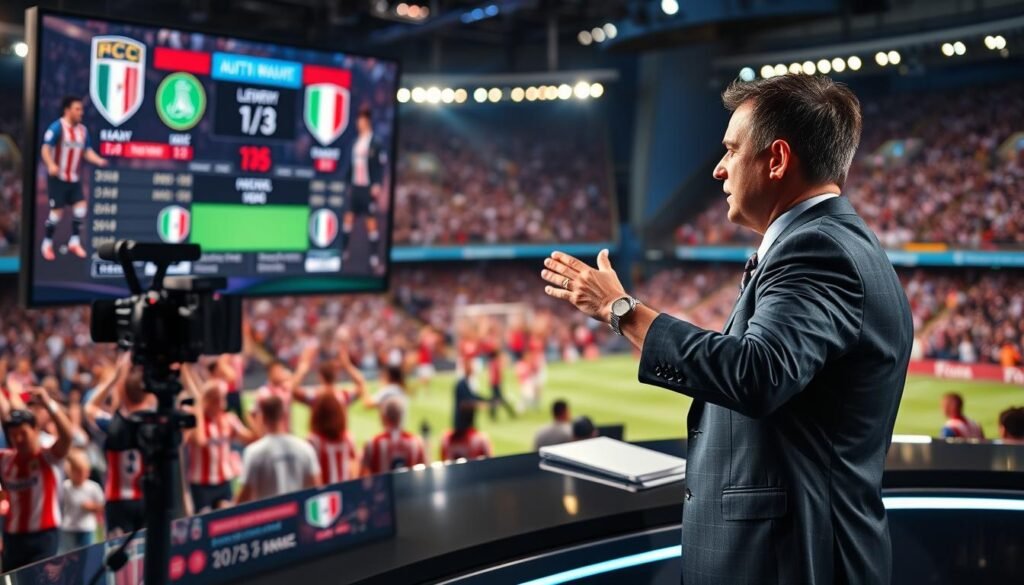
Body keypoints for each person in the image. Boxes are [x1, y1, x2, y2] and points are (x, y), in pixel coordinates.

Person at [541, 74, 913, 583]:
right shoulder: (828, 242)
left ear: (777, 159)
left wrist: (622, 310)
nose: (718, 169)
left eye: (732, 150)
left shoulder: (818, 249)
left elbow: (758, 373)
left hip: (795, 559)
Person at [0, 386, 74, 571]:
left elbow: (67, 436)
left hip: (44, 537)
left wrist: (48, 404)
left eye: (22, 432)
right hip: (13, 537)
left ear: (35, 429)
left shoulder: (49, 456)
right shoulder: (5, 459)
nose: (18, 438)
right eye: (13, 434)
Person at [84, 353, 151, 536]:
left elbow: (89, 408)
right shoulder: (152, 424)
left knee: (118, 553)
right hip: (145, 497)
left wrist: (115, 378)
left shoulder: (113, 424)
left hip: (117, 499)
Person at [39, 96, 109, 261]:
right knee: (57, 213)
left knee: (81, 208)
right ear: (67, 110)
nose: (81, 113)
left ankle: (74, 241)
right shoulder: (57, 127)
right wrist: (50, 165)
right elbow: (45, 148)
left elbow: (87, 151)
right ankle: (47, 243)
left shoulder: (82, 131)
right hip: (58, 178)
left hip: (74, 178)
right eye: (77, 109)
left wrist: (99, 160)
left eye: (81, 109)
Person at [182, 365, 254, 513]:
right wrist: (199, 408)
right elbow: (200, 441)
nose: (223, 403)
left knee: (226, 520)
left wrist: (251, 418)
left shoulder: (229, 419)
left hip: (224, 481)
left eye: (223, 398)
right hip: (201, 484)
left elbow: (250, 439)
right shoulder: (197, 422)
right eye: (218, 399)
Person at [236, 395, 321, 504]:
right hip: (297, 516)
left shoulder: (253, 452)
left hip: (269, 518)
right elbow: (316, 489)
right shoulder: (305, 448)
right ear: (284, 415)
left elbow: (244, 496)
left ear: (262, 417)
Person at [341, 107, 387, 273]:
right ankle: (343, 252)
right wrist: (347, 183)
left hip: (367, 188)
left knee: (371, 222)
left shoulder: (375, 142)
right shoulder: (355, 142)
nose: (358, 124)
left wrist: (377, 184)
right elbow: (350, 165)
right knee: (348, 218)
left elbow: (379, 166)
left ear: (366, 122)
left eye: (360, 120)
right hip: (355, 186)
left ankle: (374, 257)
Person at [361, 399, 426, 476]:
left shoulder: (373, 443)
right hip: (408, 487)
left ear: (383, 416)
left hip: (380, 488)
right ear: (400, 417)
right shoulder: (416, 442)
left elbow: (362, 477)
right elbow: (424, 473)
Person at [308, 391, 359, 484]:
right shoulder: (348, 438)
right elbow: (354, 472)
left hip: (324, 495)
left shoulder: (313, 440)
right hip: (345, 492)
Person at [59, 449, 104, 552]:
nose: (80, 475)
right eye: (77, 472)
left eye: (83, 472)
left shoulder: (93, 487)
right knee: (67, 555)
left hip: (86, 527)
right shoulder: (65, 486)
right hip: (68, 528)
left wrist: (92, 507)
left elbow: (102, 506)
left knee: (86, 555)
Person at [452, 359, 487, 429]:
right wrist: (478, 404)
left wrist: (486, 400)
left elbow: (474, 396)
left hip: (468, 420)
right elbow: (464, 402)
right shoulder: (461, 384)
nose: (472, 369)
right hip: (462, 422)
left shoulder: (469, 382)